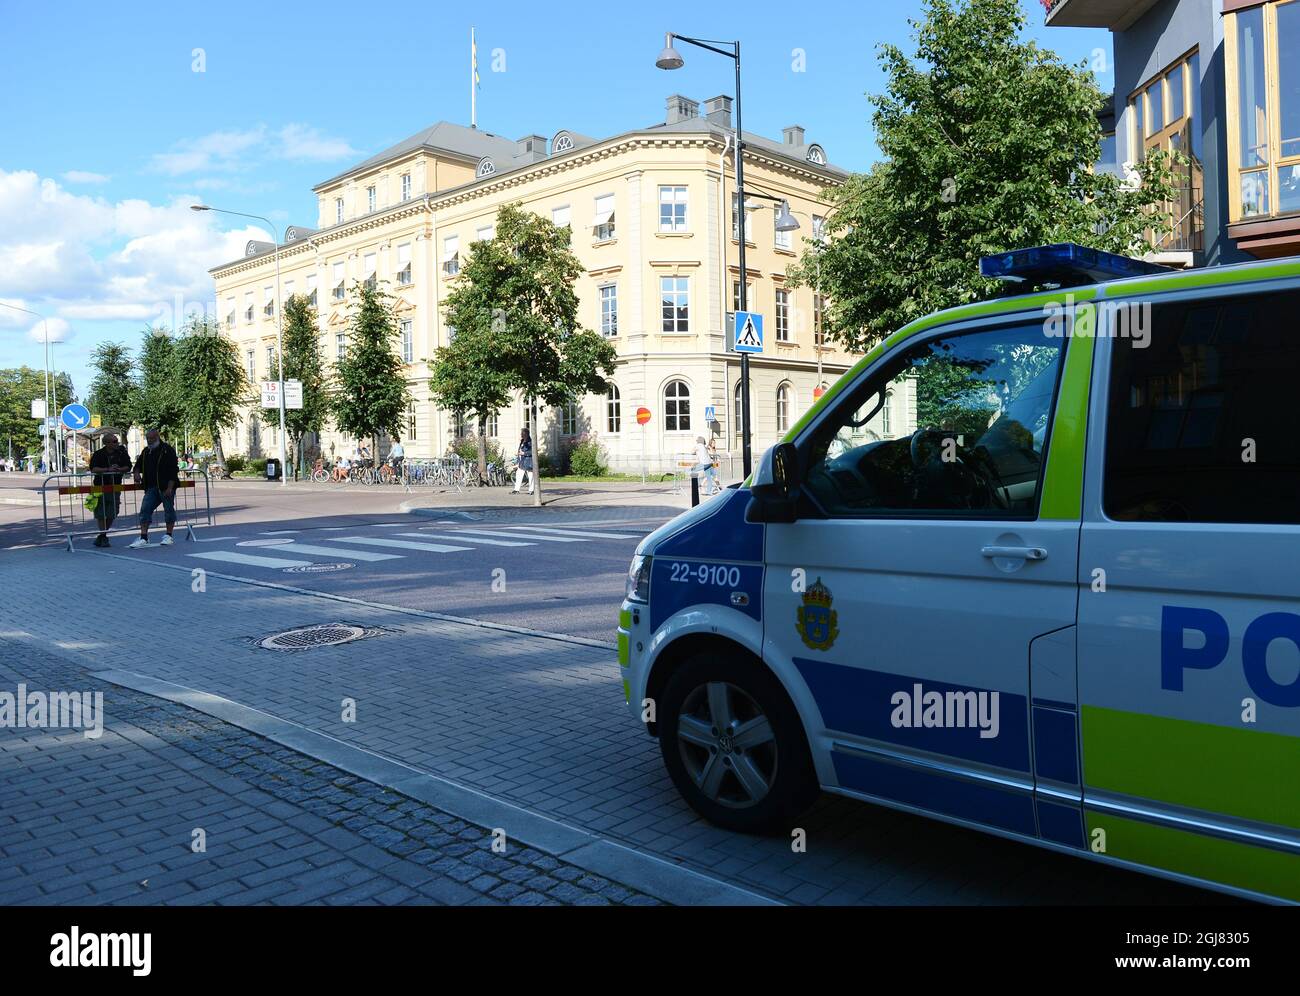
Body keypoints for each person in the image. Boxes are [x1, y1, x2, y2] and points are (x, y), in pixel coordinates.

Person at [129, 429, 181, 548]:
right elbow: (137, 465)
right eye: (148, 439)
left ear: (157, 437)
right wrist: (136, 473)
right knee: (145, 509)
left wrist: (170, 487)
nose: (149, 441)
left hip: (165, 486)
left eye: (152, 438)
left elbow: (173, 470)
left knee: (168, 509)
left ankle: (169, 535)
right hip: (151, 487)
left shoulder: (167, 450)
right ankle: (143, 537)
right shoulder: (146, 451)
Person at [88, 433, 132, 547]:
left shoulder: (121, 453)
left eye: (116, 441)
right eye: (114, 441)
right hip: (100, 486)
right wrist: (107, 469)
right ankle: (103, 536)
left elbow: (128, 466)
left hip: (115, 486)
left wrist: (119, 469)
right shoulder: (99, 454)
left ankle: (102, 535)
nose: (117, 443)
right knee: (101, 512)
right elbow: (93, 468)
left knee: (113, 512)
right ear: (106, 443)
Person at [513, 427, 534, 495]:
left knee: (531, 476)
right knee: (518, 475)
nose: (521, 435)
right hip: (522, 461)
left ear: (526, 434)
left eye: (522, 433)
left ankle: (531, 490)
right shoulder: (522, 441)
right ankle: (516, 489)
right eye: (521, 433)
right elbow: (520, 450)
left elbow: (533, 452)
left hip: (528, 461)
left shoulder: (530, 442)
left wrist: (524, 453)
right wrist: (517, 460)